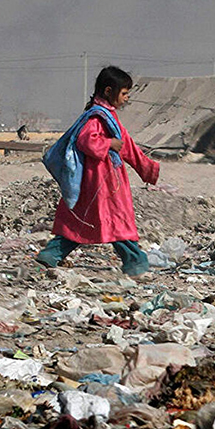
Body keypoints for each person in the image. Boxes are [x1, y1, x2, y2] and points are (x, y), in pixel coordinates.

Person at [37, 66, 159, 274]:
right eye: (124, 93)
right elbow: (87, 141)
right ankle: (135, 262)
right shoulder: (97, 117)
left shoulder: (106, 116)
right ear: (109, 91)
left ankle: (51, 255)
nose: (127, 98)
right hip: (103, 182)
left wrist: (146, 168)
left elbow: (127, 146)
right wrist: (109, 144)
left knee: (81, 222)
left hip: (97, 181)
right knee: (116, 219)